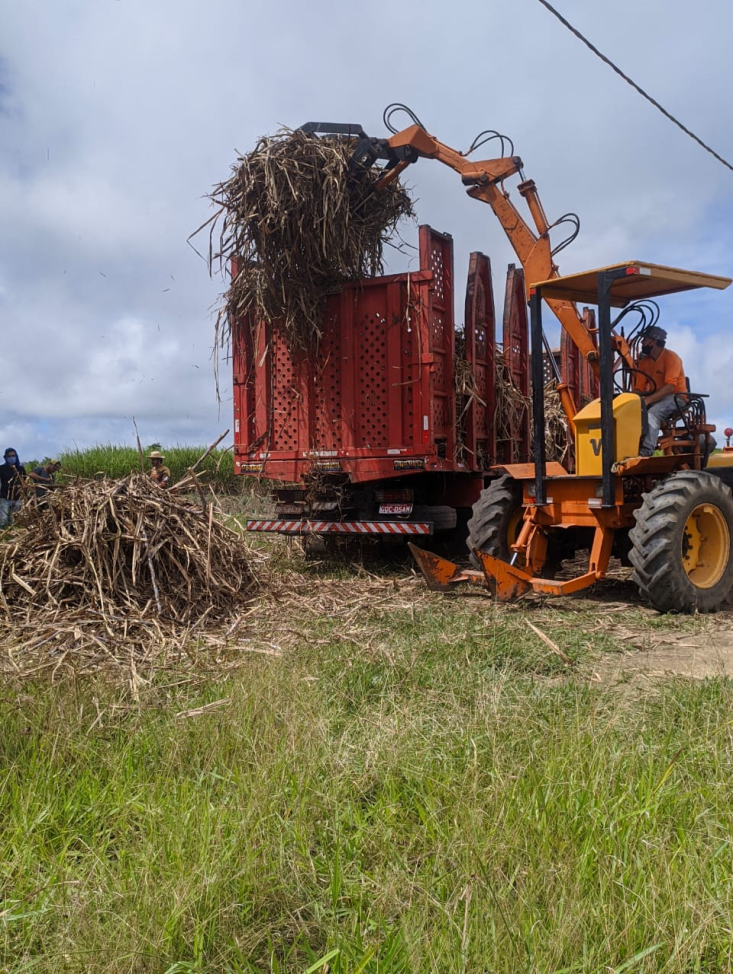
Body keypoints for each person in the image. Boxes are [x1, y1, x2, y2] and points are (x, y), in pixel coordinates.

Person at [631, 325, 687, 457]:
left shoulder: (671, 358)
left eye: (644, 340)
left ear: (653, 342)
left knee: (652, 414)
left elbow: (670, 387)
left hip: (676, 398)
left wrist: (648, 400)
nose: (642, 343)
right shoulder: (644, 362)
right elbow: (639, 389)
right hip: (657, 398)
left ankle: (646, 452)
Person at [0, 447, 27, 528]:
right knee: (3, 519)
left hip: (17, 498)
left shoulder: (21, 468)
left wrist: (24, 494)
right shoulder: (1, 468)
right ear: (5, 457)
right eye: (9, 456)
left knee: (15, 520)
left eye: (13, 455)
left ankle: (13, 537)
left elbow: (25, 482)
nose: (11, 458)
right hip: (4, 497)